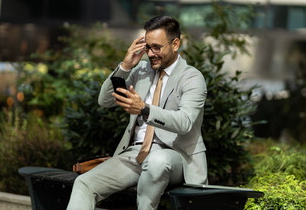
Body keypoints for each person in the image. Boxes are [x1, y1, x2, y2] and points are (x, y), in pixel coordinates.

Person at [67, 16, 208, 210]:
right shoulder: (141, 70)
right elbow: (105, 100)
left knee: (157, 161)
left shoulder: (192, 78)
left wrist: (144, 109)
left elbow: (184, 122)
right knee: (83, 183)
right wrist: (125, 66)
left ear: (175, 44)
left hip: (175, 156)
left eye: (156, 47)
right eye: (147, 47)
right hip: (136, 154)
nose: (150, 54)